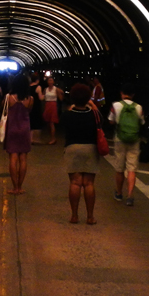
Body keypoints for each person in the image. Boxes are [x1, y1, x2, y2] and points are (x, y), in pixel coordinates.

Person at [60, 83, 99, 224]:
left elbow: (62, 125)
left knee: (75, 183)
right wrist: (92, 105)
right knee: (89, 184)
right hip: (90, 148)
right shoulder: (93, 115)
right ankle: (90, 217)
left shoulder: (68, 114)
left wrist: (71, 107)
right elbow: (100, 121)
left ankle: (74, 216)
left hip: (72, 148)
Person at [108, 87, 145, 206]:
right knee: (131, 169)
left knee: (119, 168)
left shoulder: (116, 105)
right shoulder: (139, 107)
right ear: (133, 94)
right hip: (134, 140)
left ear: (121, 93)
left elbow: (111, 121)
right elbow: (142, 122)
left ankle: (119, 193)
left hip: (120, 139)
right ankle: (130, 196)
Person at [2, 76, 34, 194]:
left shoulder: (9, 98)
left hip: (12, 129)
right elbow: (29, 111)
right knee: (23, 158)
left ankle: (14, 187)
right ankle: (20, 187)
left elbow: (4, 110)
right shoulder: (30, 99)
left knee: (13, 158)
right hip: (25, 129)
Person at [40, 75, 63, 144]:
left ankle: (53, 138)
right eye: (49, 80)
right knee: (47, 122)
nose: (50, 82)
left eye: (51, 80)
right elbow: (42, 97)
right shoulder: (45, 89)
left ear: (53, 82)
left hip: (53, 105)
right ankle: (51, 136)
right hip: (47, 105)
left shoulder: (56, 89)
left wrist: (60, 93)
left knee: (51, 122)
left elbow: (61, 98)